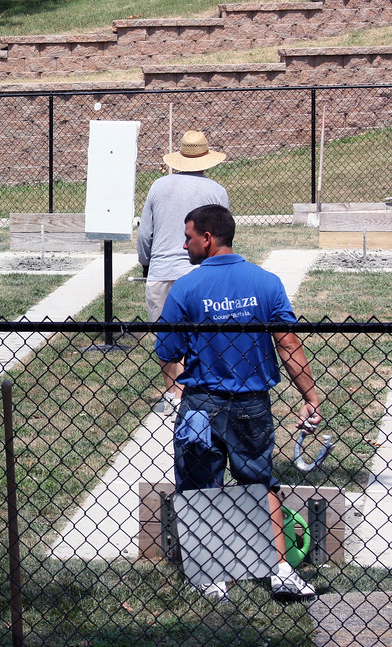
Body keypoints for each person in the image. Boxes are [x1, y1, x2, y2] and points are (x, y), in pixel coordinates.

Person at [155, 204, 320, 603]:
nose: (184, 245)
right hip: (252, 404)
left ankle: (212, 575)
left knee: (200, 486)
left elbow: (168, 350)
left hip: (201, 405)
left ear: (207, 238)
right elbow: (288, 343)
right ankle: (281, 571)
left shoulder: (186, 289)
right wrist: (310, 396)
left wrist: (186, 370)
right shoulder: (266, 282)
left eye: (188, 237)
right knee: (261, 483)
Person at [138, 130, 229, 415]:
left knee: (166, 337)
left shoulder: (158, 186)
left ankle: (173, 396)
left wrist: (147, 262)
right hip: (200, 272)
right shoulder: (216, 191)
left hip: (162, 270)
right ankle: (193, 394)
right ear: (206, 159)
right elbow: (222, 235)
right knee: (198, 336)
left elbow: (145, 234)